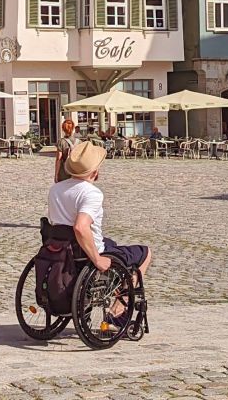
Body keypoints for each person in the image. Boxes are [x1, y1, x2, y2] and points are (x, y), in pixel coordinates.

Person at [47, 141, 152, 325]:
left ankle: (113, 290)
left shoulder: (56, 189)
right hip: (85, 251)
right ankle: (119, 308)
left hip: (61, 247)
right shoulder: (91, 193)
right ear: (94, 171)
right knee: (144, 253)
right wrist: (97, 259)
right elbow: (80, 227)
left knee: (111, 243)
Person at [54, 119, 77, 183]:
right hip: (76, 171)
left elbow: (59, 158)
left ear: (63, 129)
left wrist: (56, 174)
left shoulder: (61, 142)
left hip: (64, 171)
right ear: (73, 128)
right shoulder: (79, 142)